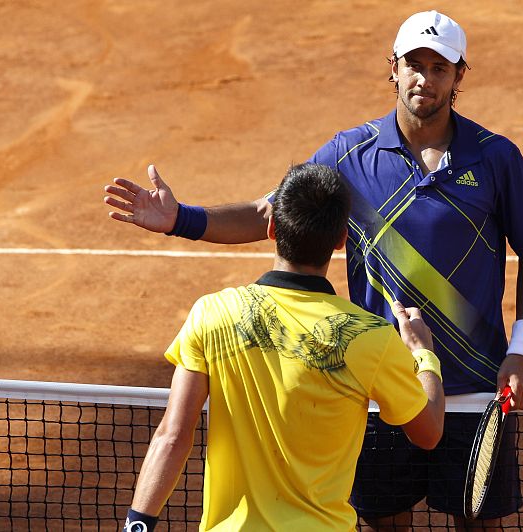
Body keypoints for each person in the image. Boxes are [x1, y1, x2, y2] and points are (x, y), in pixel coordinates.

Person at [106, 10, 523, 530]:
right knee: (384, 523)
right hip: (380, 382)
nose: (424, 79)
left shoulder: (496, 158)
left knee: (479, 525)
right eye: (414, 64)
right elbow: (269, 212)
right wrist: (179, 219)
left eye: (439, 68)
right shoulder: (348, 154)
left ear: (458, 77)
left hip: (475, 388)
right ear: (394, 68)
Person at [120, 163, 445, 532]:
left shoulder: (213, 313)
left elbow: (172, 435)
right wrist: (424, 355)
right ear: (341, 239)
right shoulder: (370, 336)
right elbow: (428, 432)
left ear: (271, 228)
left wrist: (137, 526)